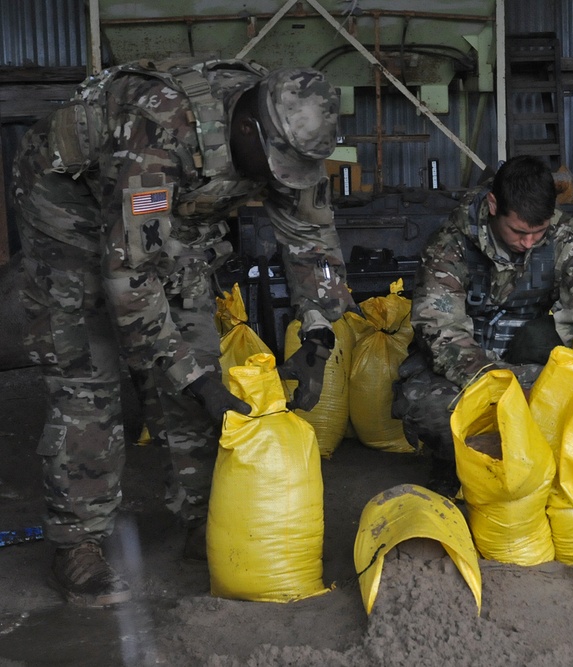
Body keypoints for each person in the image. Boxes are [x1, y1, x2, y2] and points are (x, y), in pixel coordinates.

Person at [11, 58, 353, 606]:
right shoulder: (161, 129)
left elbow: (313, 237)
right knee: (88, 372)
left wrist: (316, 331)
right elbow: (129, 279)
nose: (279, 179)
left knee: (196, 357)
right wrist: (192, 378)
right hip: (68, 209)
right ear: (248, 127)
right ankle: (77, 544)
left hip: (171, 220)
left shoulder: (287, 137)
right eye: (275, 165)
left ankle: (204, 517)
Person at [391, 155, 573, 496]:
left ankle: (554, 465)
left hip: (534, 365)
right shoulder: (450, 244)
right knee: (425, 407)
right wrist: (503, 391)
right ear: (492, 205)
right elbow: (442, 333)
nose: (529, 242)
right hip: (468, 374)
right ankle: (455, 462)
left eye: (539, 232)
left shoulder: (571, 241)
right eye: (518, 231)